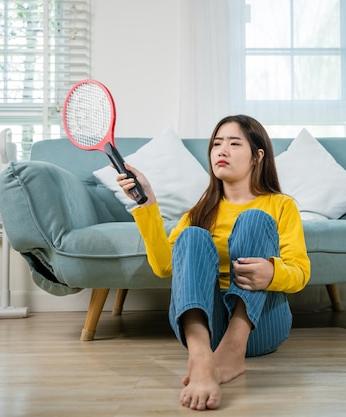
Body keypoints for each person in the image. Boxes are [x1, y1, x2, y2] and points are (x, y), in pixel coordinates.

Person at [116, 114, 311, 411]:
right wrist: (148, 204)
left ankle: (233, 348)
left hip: (260, 327)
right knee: (192, 236)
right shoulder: (199, 212)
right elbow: (164, 267)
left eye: (234, 143)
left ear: (257, 156)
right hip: (206, 327)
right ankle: (201, 357)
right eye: (217, 144)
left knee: (255, 219)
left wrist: (273, 273)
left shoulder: (281, 205)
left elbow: (299, 272)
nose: (222, 150)